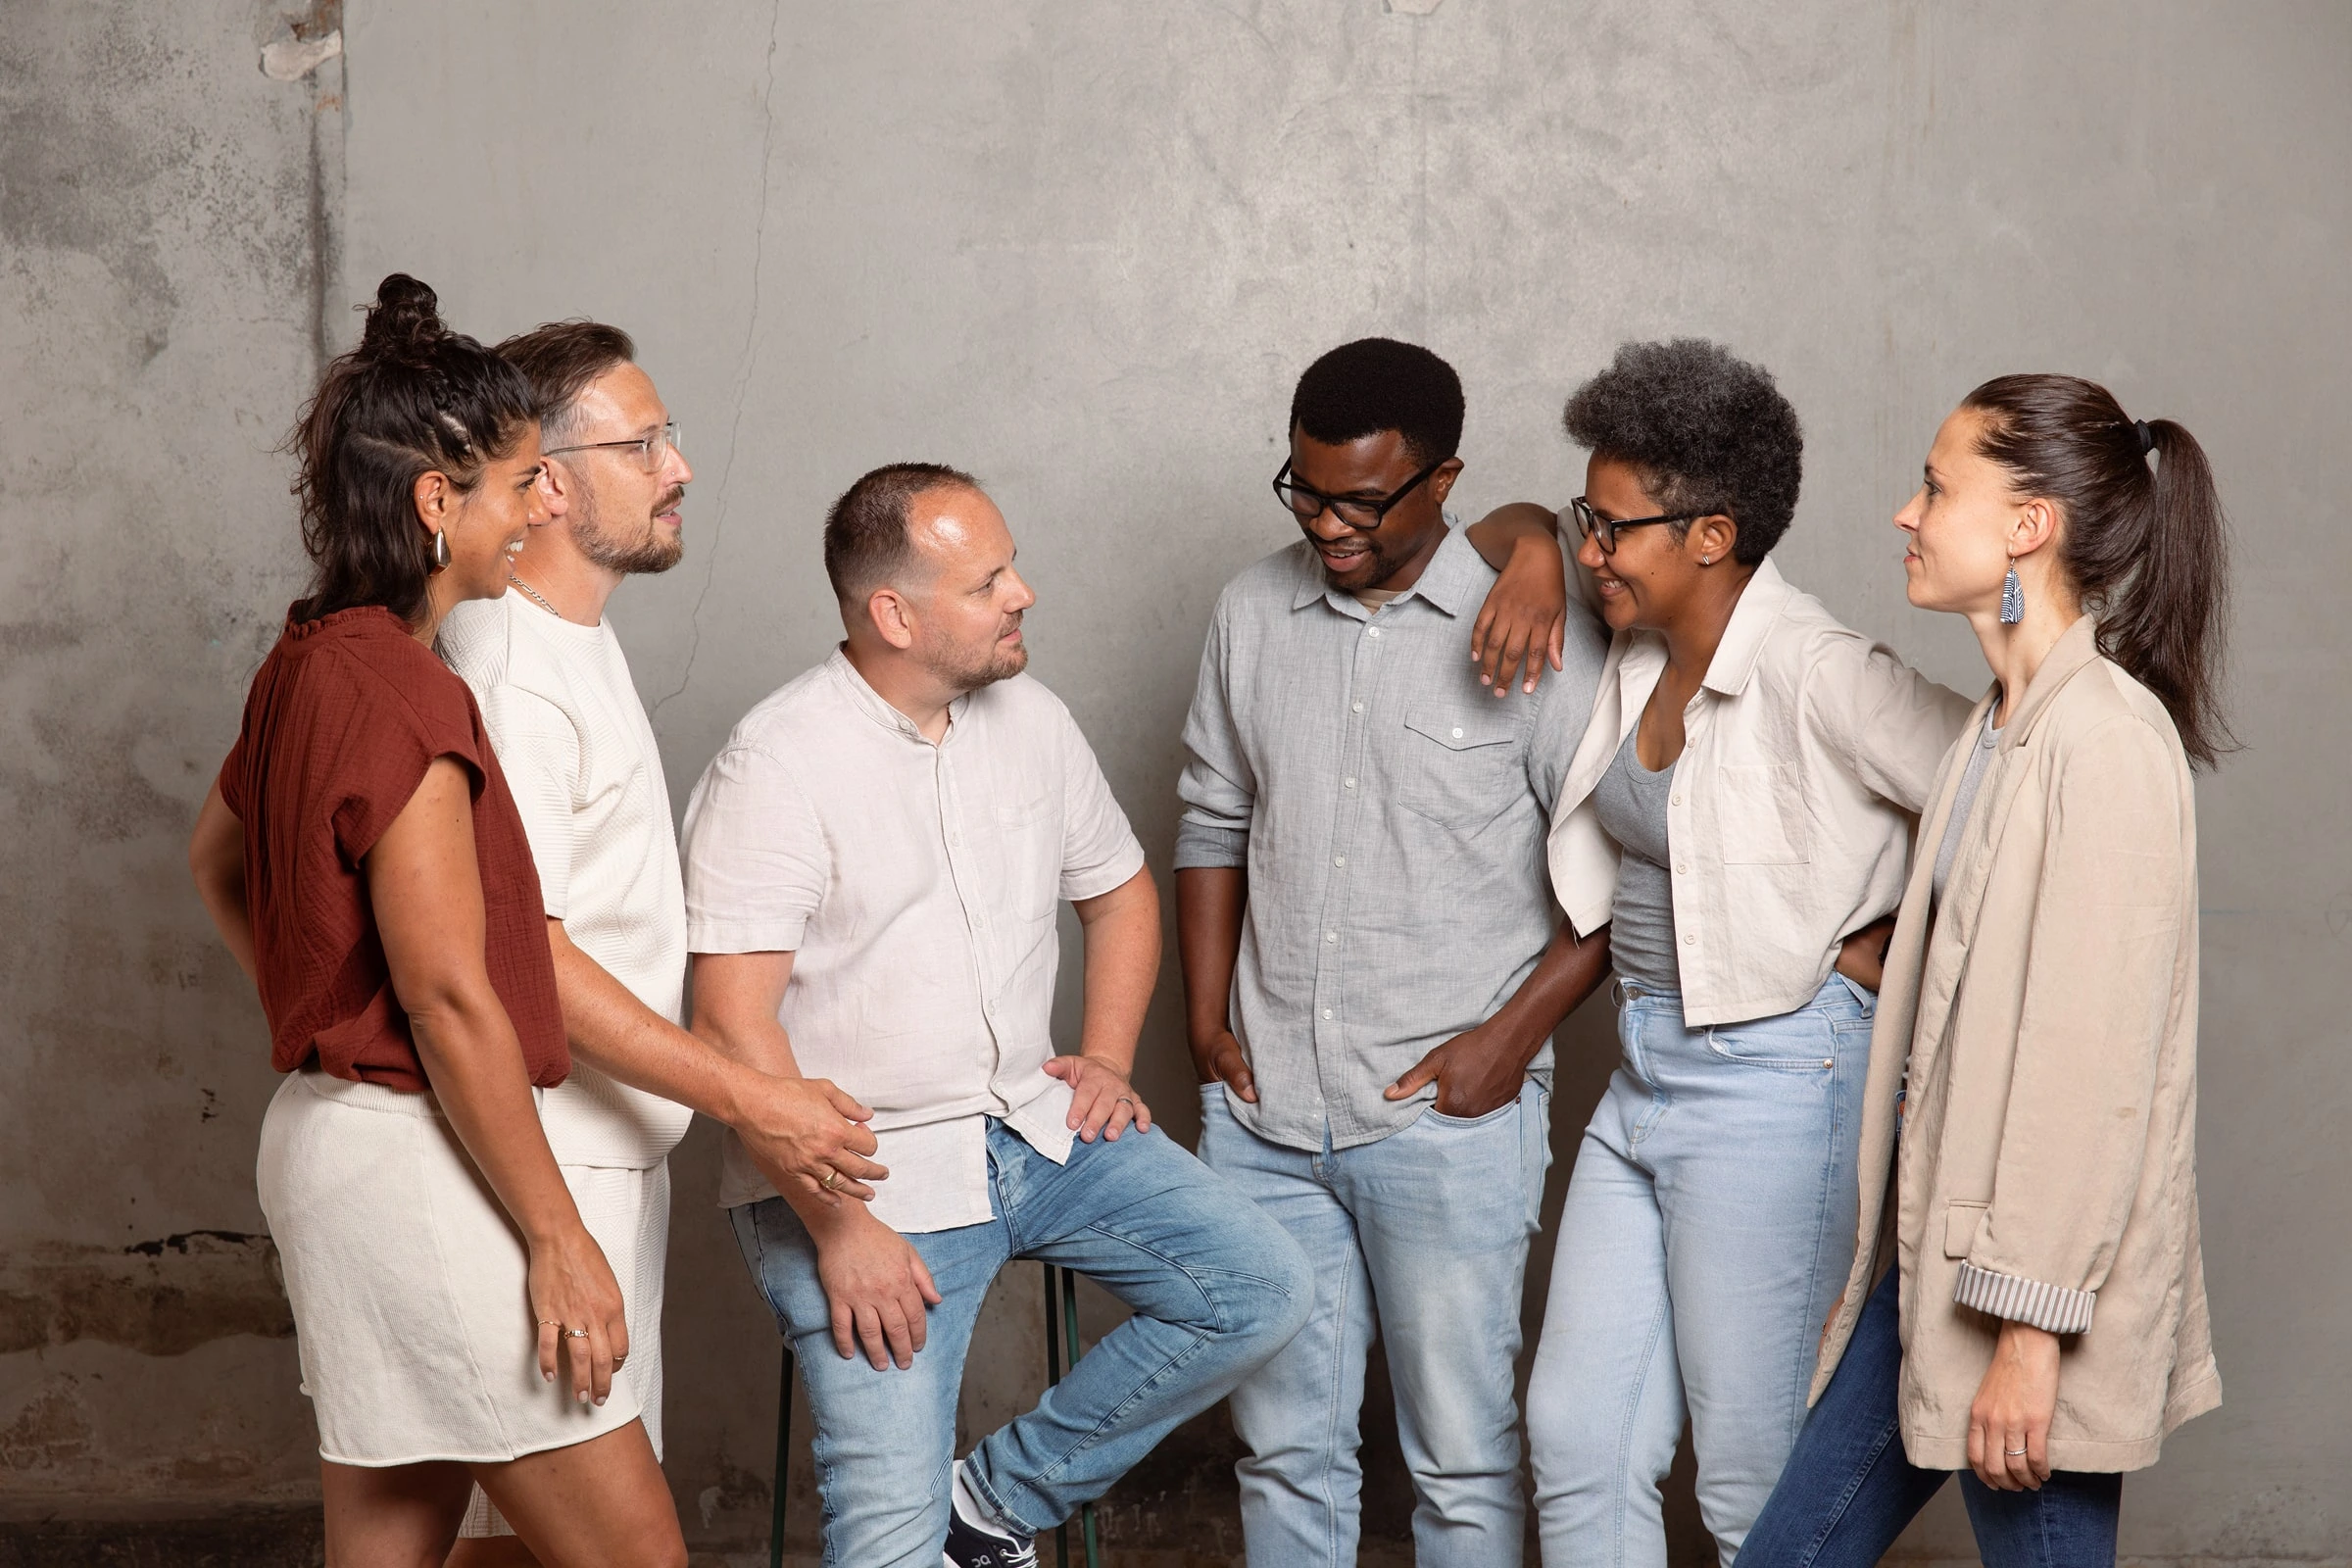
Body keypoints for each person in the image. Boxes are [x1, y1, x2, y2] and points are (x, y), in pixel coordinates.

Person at [682, 463, 1314, 1568]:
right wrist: (841, 1230)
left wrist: (1106, 1056)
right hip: (865, 1177)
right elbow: (732, 1025)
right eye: (986, 583)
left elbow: (1120, 892)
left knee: (1262, 1285)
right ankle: (929, 1528)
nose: (1022, 593)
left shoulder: (1032, 717)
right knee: (888, 1551)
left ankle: (987, 1506)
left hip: (1034, 1127)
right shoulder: (774, 764)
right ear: (895, 615)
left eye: (1009, 567)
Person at [184, 274, 688, 1567]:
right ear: (434, 503)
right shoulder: (411, 695)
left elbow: (217, 859)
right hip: (417, 1164)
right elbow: (449, 995)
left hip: (333, 1147)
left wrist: (320, 1005)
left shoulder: (307, 659)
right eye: (519, 485)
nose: (535, 511)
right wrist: (560, 1236)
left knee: (395, 1551)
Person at [1465, 339, 1972, 1566]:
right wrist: (1538, 544)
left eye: (1612, 529)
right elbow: (1489, 527)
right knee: (1577, 1440)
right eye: (1586, 518)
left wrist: (1889, 953)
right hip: (1644, 1073)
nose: (1591, 550)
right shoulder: (1636, 637)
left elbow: (2016, 793)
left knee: (1756, 1483)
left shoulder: (1815, 667)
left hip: (1777, 1086)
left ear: (1711, 535)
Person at [1738, 376, 2227, 1566]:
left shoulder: (2105, 741)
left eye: (1936, 487)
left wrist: (2029, 1332)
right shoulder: (1998, 728)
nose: (1906, 514)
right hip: (1934, 1267)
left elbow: (2091, 1070)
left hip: (2017, 1296)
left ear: (2027, 525)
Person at [434, 320, 885, 1563]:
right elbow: (523, 955)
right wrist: (754, 1096)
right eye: (643, 445)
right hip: (544, 1174)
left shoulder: (571, 638)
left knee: (515, 1545)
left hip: (600, 1165)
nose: (678, 466)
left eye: (668, 437)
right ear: (548, 481)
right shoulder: (508, 668)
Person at [1175, 337, 1616, 1566]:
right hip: (1265, 1117)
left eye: (1361, 501)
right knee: (1283, 1454)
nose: (1328, 524)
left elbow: (1613, 882)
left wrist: (1505, 1047)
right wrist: (1205, 1025)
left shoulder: (1535, 630)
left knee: (1462, 1463)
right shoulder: (1250, 611)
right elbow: (1211, 818)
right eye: (1306, 492)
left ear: (1443, 480)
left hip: (1443, 1124)